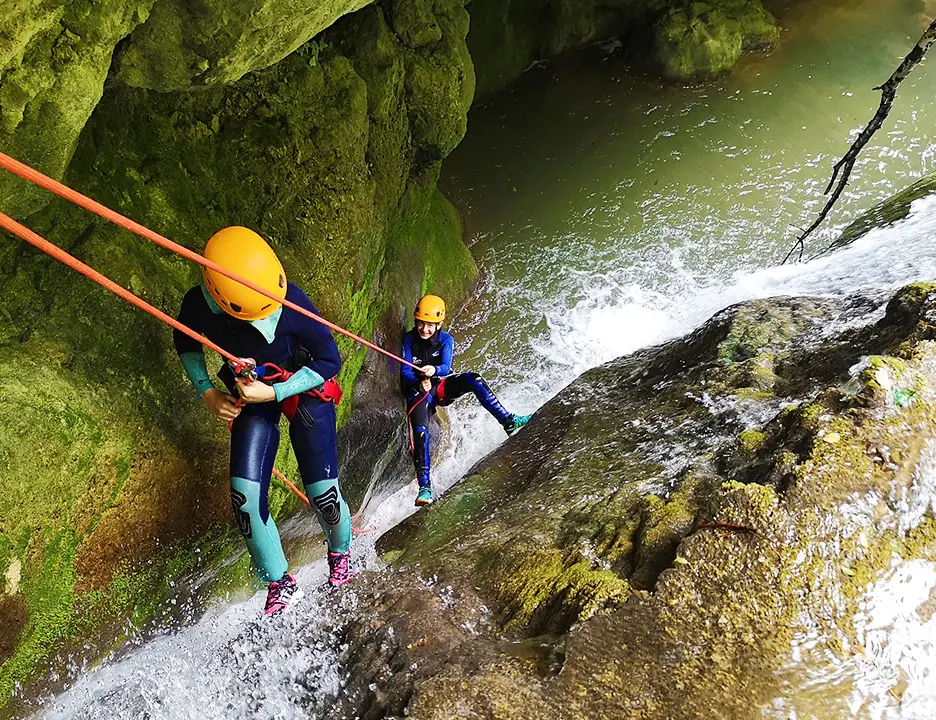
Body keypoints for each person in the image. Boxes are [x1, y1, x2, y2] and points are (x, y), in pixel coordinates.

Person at [173, 226, 354, 617]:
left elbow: (329, 362)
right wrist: (206, 391)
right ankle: (280, 582)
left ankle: (340, 556)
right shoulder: (201, 304)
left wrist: (273, 393)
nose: (270, 315)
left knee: (323, 493)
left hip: (302, 389)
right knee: (244, 498)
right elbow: (185, 340)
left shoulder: (291, 302)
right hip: (251, 393)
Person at [401, 294, 532, 506]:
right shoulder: (408, 339)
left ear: (439, 324)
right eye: (421, 324)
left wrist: (432, 371)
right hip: (421, 393)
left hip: (441, 386)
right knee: (420, 433)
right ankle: (425, 488)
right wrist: (418, 382)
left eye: (430, 325)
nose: (424, 329)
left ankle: (508, 421)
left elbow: (445, 366)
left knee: (475, 380)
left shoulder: (446, 340)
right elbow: (405, 372)